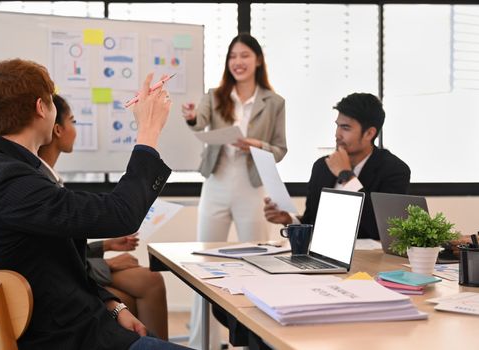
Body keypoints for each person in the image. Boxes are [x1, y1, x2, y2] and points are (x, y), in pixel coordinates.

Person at [0, 58, 190, 350]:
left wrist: (114, 305)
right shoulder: (11, 180)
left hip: (82, 325)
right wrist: (148, 131)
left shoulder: (7, 169)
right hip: (71, 340)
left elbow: (60, 265)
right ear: (41, 107)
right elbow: (120, 214)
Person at [181, 33, 287, 349]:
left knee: (255, 263)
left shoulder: (274, 102)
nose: (238, 62)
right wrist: (189, 117)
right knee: (202, 264)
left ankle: (250, 340)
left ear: (257, 60)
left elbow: (280, 149)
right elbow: (198, 123)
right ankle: (203, 342)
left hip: (251, 187)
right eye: (232, 57)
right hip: (216, 184)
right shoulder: (214, 96)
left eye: (244, 55)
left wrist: (256, 144)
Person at [38, 94, 168, 340]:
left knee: (145, 284)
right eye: (73, 121)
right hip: (73, 282)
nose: (77, 130)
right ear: (56, 129)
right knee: (146, 284)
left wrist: (106, 246)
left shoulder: (42, 178)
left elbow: (60, 244)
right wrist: (107, 263)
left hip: (78, 271)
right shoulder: (39, 185)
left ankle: (149, 342)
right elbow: (60, 261)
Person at [264, 92, 410, 240]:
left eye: (346, 128)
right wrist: (288, 220)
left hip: (367, 260)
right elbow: (311, 222)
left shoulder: (394, 170)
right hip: (323, 258)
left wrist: (346, 176)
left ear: (369, 133)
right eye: (338, 126)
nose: (337, 134)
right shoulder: (322, 166)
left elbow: (383, 231)